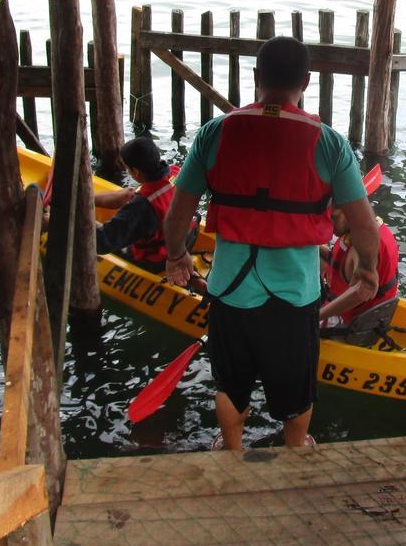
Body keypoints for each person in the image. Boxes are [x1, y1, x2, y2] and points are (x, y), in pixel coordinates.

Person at [163, 36, 380, 450]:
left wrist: (178, 256)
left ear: (256, 77)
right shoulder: (330, 143)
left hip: (229, 289)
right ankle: (296, 449)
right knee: (296, 390)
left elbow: (178, 214)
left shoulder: (215, 133)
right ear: (307, 81)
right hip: (295, 294)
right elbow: (364, 226)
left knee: (230, 383)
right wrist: (367, 270)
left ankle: (231, 448)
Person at [91, 137, 177, 273]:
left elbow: (103, 242)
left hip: (157, 260)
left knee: (101, 236)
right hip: (184, 241)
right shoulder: (176, 173)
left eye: (128, 170)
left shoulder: (142, 206)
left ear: (136, 171)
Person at [320, 208, 399, 347]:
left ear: (347, 209)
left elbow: (361, 292)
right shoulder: (370, 228)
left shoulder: (361, 247)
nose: (328, 226)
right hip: (371, 318)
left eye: (333, 218)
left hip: (348, 328)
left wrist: (316, 317)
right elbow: (340, 263)